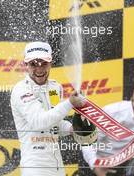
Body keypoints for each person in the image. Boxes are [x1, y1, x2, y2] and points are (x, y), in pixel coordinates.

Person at [10, 41, 86, 176]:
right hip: (35, 167)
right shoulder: (21, 90)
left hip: (57, 165)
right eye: (33, 64)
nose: (39, 69)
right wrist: (70, 103)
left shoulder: (55, 88)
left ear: (51, 63)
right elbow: (40, 122)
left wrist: (71, 129)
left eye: (44, 63)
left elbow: (54, 123)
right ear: (25, 65)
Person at [82, 83, 134, 176]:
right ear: (132, 100)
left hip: (130, 162)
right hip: (101, 163)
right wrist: (95, 165)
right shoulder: (112, 112)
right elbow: (86, 141)